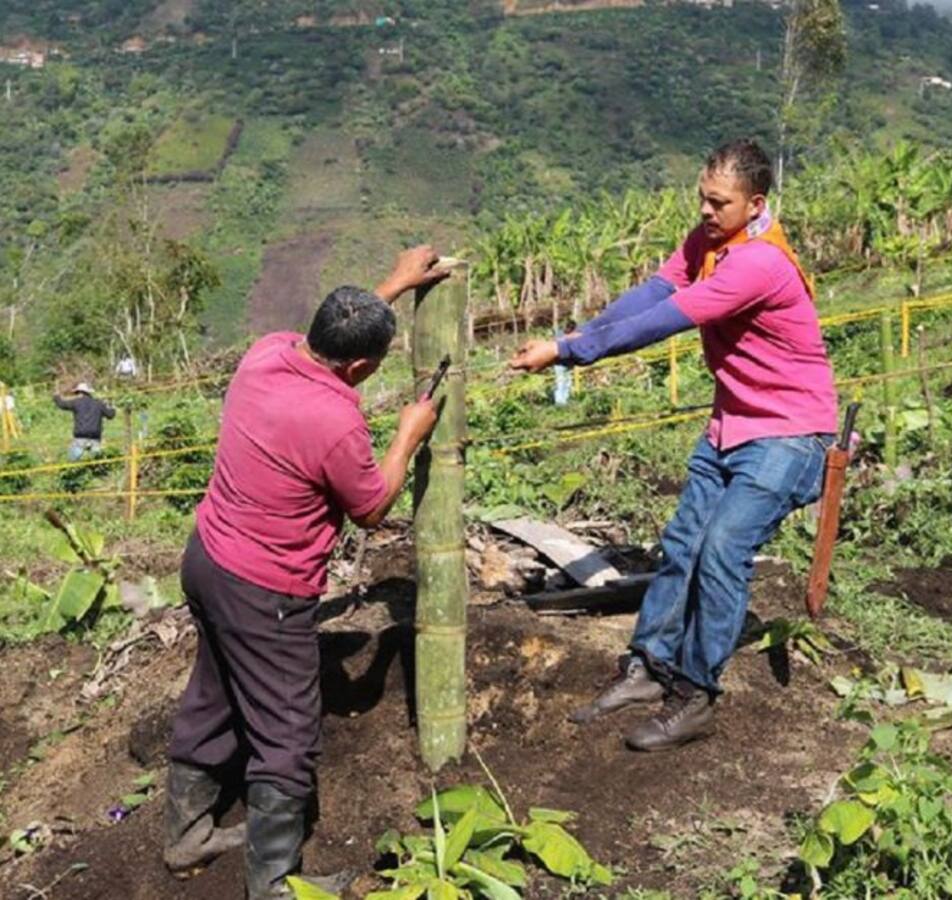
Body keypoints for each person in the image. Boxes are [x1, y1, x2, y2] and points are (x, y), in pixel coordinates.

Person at [511, 138, 839, 752]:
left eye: (720, 202)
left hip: (790, 435)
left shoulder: (758, 264)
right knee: (683, 542)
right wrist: (582, 332)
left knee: (722, 548)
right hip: (730, 425)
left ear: (755, 203)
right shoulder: (708, 241)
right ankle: (648, 667)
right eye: (703, 199)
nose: (707, 212)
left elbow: (668, 320)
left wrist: (568, 352)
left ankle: (695, 694)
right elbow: (653, 294)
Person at [163, 246, 448, 898]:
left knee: (214, 694)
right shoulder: (336, 421)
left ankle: (186, 837)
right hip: (265, 591)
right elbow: (373, 507)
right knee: (287, 734)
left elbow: (331, 344)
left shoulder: (266, 353)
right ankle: (273, 887)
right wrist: (408, 433)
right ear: (362, 368)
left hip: (206, 559)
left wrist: (393, 284)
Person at [53, 382, 116, 460]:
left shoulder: (77, 403)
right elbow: (110, 415)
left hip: (80, 438)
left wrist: (56, 396)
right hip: (95, 438)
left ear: (80, 392)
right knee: (96, 464)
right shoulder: (98, 404)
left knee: (73, 463)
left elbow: (62, 404)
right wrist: (112, 406)